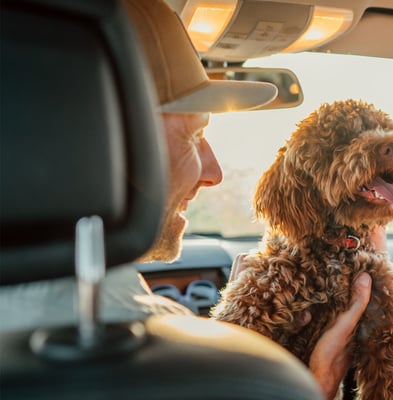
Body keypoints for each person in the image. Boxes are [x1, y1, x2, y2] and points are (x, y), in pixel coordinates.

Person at [0, 0, 372, 397]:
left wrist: (229, 336)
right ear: (102, 146)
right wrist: (315, 385)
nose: (213, 173)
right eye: (194, 137)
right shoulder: (145, 348)